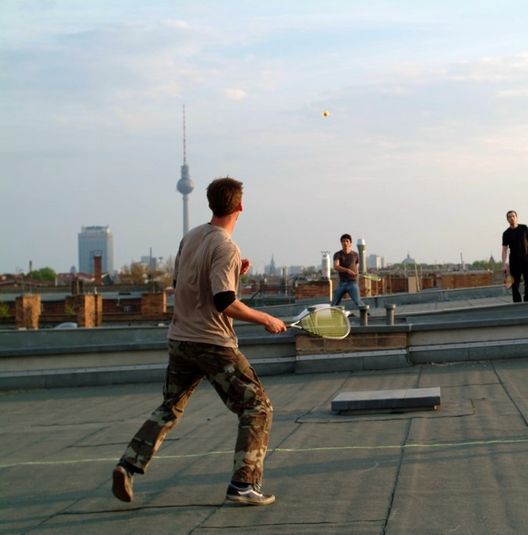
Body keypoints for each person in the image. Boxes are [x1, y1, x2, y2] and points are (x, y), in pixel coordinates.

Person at [112, 177, 288, 506]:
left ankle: (128, 465)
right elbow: (224, 301)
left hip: (180, 339)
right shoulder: (226, 245)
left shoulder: (191, 238)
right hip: (212, 343)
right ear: (240, 207)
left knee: (169, 408)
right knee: (257, 407)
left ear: (211, 204)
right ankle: (243, 485)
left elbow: (186, 283)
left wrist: (236, 272)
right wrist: (266, 318)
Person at [501, 210, 528, 302]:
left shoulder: (524, 228)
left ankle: (527, 300)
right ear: (507, 219)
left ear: (516, 218)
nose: (512, 218)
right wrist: (504, 264)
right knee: (514, 284)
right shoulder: (506, 233)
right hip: (514, 261)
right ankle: (517, 303)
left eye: (513, 216)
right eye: (509, 217)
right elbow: (504, 249)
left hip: (526, 260)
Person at [331, 234, 365, 309]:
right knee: (334, 304)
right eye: (343, 241)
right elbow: (336, 266)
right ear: (341, 243)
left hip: (352, 283)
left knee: (358, 302)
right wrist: (347, 271)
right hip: (342, 283)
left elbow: (356, 267)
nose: (345, 243)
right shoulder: (338, 254)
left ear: (350, 243)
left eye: (347, 241)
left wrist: (356, 273)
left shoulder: (355, 255)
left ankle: (366, 317)